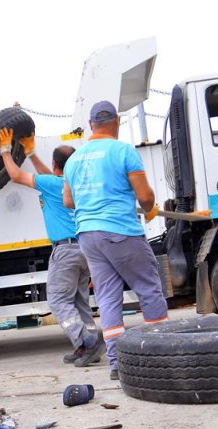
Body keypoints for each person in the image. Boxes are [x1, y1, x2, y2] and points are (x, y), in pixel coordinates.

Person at [63, 101, 168, 380]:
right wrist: (149, 209)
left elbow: (68, 201)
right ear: (117, 122)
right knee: (148, 288)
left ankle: (116, 363)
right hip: (120, 231)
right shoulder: (123, 151)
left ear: (90, 124)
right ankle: (161, 353)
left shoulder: (73, 160)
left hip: (88, 235)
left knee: (108, 298)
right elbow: (145, 197)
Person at [0, 129, 105, 367]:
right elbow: (50, 176)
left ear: (55, 163)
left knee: (57, 299)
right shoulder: (71, 184)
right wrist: (32, 153)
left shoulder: (53, 184)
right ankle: (88, 342)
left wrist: (5, 150)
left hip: (65, 250)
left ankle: (86, 343)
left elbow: (15, 175)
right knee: (79, 300)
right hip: (84, 247)